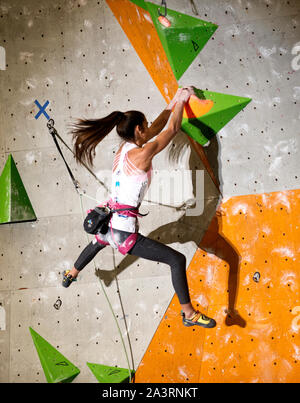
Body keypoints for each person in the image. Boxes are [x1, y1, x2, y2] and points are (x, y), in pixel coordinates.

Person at [62, 87, 216, 328]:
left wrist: (176, 99)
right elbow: (172, 129)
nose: (149, 128)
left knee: (98, 243)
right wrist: (184, 100)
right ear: (137, 130)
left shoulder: (123, 149)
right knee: (176, 260)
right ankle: (188, 314)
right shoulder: (143, 154)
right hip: (123, 231)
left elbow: (157, 128)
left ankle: (71, 273)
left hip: (108, 221)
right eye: (145, 125)